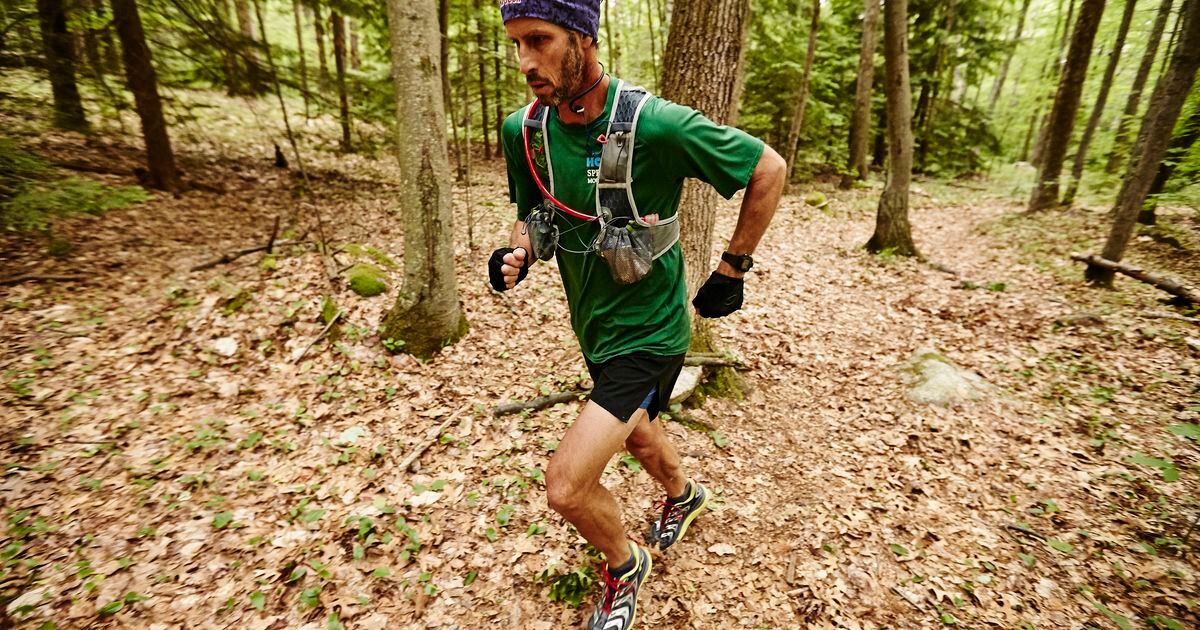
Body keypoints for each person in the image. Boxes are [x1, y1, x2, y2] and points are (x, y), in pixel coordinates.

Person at [487, 1, 785, 628]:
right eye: (515, 43)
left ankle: (626, 566)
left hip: (652, 331)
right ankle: (685, 496)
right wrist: (516, 254)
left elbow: (768, 168)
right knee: (639, 430)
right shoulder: (525, 131)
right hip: (593, 324)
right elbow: (533, 213)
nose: (524, 62)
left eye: (539, 39)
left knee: (567, 485)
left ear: (584, 35)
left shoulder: (657, 126)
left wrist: (734, 268)